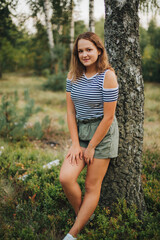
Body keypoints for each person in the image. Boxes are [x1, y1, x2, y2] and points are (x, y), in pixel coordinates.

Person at [59, 32, 119, 240]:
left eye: (89, 49)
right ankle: (83, 216)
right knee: (66, 178)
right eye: (80, 51)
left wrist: (92, 146)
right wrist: (75, 144)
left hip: (102, 134)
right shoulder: (72, 76)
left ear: (99, 50)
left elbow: (109, 117)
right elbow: (70, 112)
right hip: (81, 132)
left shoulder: (108, 75)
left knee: (91, 186)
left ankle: (72, 234)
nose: (84, 54)